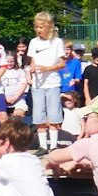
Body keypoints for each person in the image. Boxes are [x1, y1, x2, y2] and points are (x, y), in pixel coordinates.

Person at [27, 12, 68, 149]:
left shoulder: (57, 42)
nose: (38, 30)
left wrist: (48, 68)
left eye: (41, 27)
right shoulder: (33, 42)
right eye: (37, 27)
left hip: (53, 84)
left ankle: (54, 145)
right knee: (39, 116)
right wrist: (32, 69)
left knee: (54, 116)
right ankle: (43, 146)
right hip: (38, 85)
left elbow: (62, 64)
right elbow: (32, 61)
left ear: (49, 27)